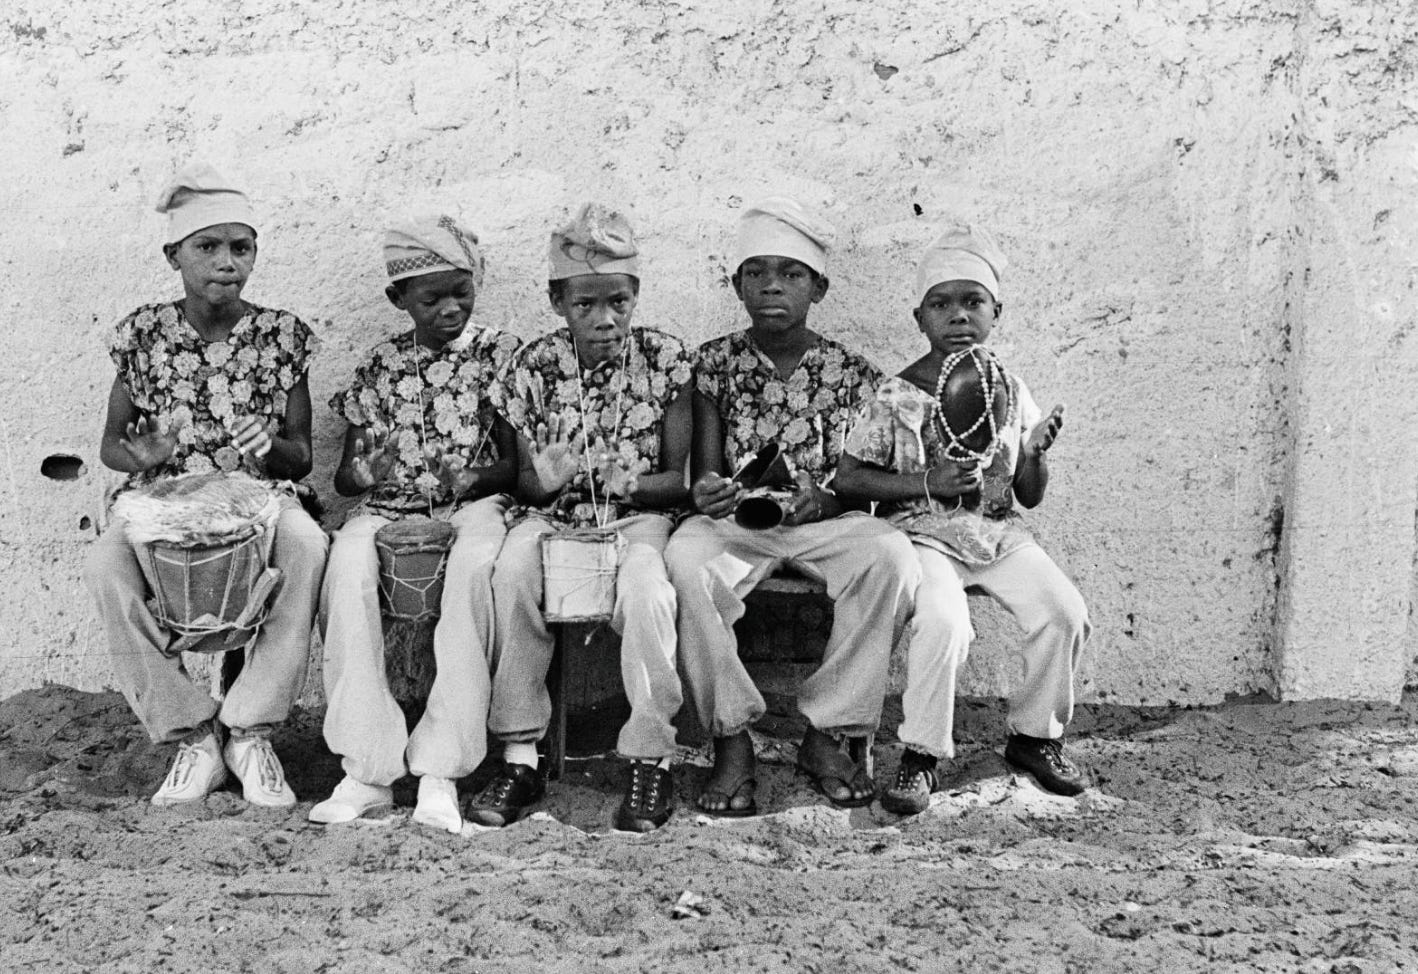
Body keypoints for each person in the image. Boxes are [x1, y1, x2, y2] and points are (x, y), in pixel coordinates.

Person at [665, 198, 919, 817]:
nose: (771, 286)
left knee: (891, 558)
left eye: (791, 273)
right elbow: (709, 468)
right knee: (685, 560)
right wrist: (710, 492)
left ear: (818, 288)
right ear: (737, 286)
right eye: (755, 273)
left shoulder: (853, 374)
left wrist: (828, 499)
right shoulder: (714, 364)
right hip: (740, 523)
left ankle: (827, 733)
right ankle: (731, 739)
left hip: (821, 521)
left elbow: (860, 481)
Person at [86, 162, 327, 809]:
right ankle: (193, 735)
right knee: (106, 566)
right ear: (174, 255)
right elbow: (111, 446)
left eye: (241, 247)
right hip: (162, 500)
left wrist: (270, 449)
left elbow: (301, 457)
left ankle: (249, 730)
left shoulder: (282, 337)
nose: (227, 262)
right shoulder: (142, 335)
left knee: (308, 546)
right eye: (208, 247)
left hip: (258, 498)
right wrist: (142, 454)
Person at [835, 224, 1091, 816]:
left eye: (973, 301)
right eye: (941, 304)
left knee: (1064, 611)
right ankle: (921, 752)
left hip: (994, 534)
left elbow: (1028, 496)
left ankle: (1035, 737)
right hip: (922, 535)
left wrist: (1033, 455)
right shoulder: (896, 394)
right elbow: (849, 479)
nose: (958, 315)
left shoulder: (1009, 388)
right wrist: (927, 483)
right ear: (919, 318)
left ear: (996, 312)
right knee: (945, 623)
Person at [466, 203, 693, 833]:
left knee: (648, 592)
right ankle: (520, 755)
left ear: (636, 295)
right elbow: (524, 483)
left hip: (637, 519)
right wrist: (548, 480)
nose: (604, 318)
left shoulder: (666, 360)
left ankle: (650, 757)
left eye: (618, 301)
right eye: (585, 304)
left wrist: (633, 485)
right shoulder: (534, 365)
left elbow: (680, 479)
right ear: (557, 301)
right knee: (512, 573)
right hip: (553, 518)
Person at [309, 214, 520, 833]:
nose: (450, 308)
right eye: (431, 299)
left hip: (474, 506)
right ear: (397, 299)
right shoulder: (381, 366)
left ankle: (441, 771)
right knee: (344, 568)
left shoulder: (502, 355)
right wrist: (364, 473)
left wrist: (473, 479)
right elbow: (347, 480)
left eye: (462, 292)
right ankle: (367, 768)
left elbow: (516, 467)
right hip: (387, 508)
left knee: (475, 570)